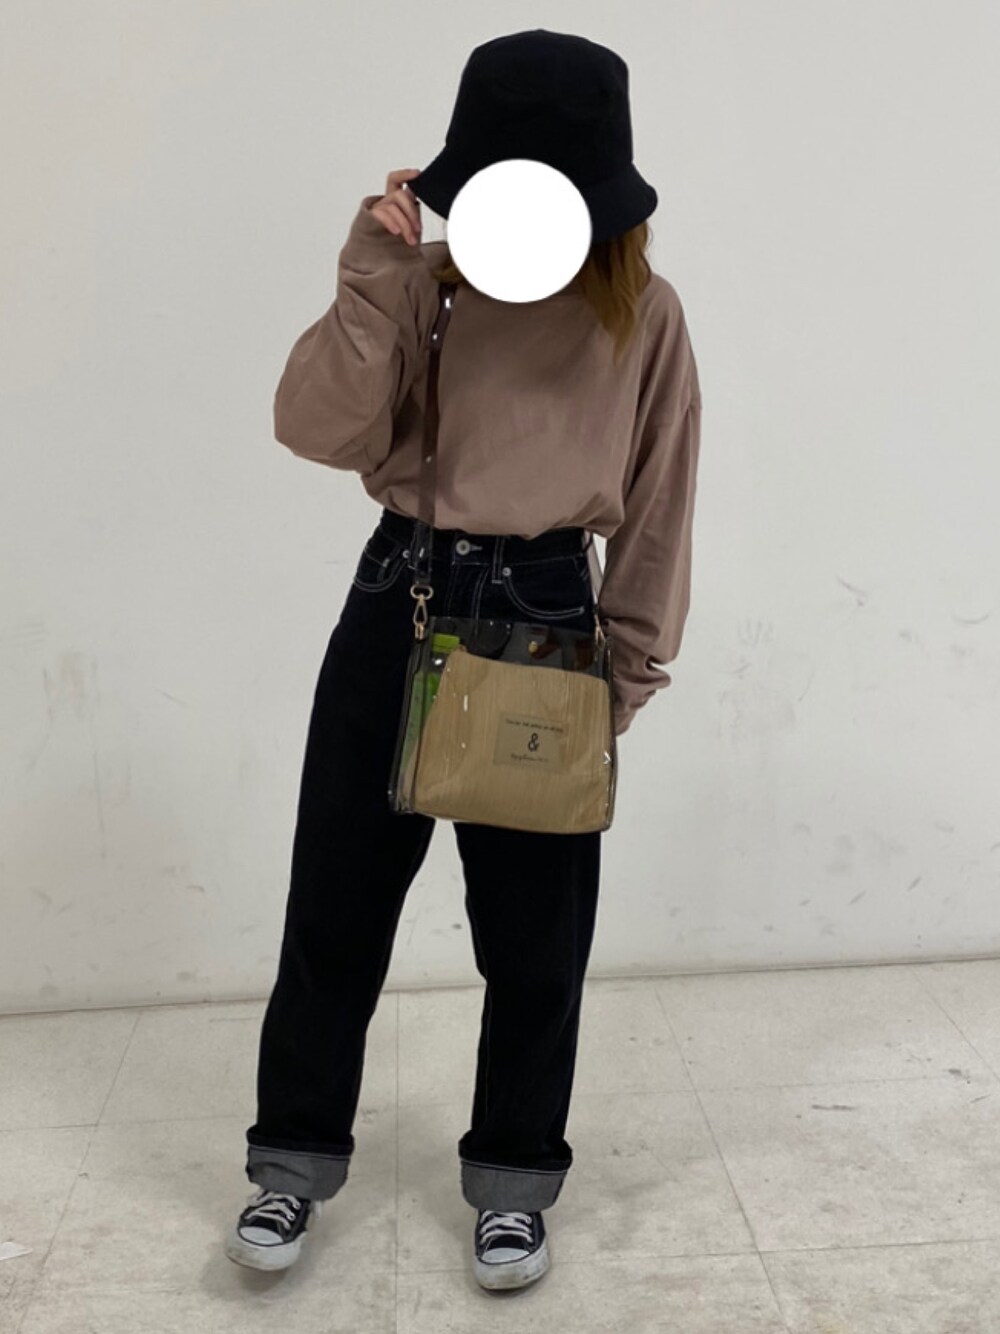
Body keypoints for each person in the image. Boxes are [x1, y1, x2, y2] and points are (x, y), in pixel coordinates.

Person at [224, 29, 701, 1294]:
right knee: (335, 908)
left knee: (535, 938)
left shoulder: (644, 313)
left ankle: (512, 1183)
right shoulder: (424, 288)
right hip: (402, 590)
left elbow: (659, 503)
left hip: (548, 616)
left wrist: (627, 674)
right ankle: (291, 1161)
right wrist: (371, 274)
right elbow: (314, 428)